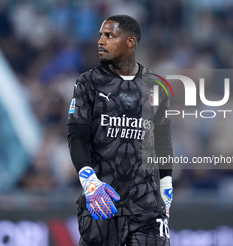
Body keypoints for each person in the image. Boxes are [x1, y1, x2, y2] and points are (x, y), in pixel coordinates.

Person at [67, 14, 173, 246]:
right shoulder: (88, 83)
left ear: (130, 42)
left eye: (109, 36)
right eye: (100, 36)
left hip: (146, 206)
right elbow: (77, 137)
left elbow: (162, 141)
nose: (101, 41)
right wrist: (89, 181)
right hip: (101, 203)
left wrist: (166, 184)